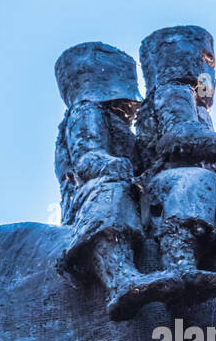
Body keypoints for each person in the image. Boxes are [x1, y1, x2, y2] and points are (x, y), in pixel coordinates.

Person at [136, 24, 216, 304]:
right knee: (196, 181)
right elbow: (179, 135)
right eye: (205, 64)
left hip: (205, 186)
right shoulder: (173, 92)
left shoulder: (200, 108)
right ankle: (179, 265)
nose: (210, 74)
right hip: (168, 183)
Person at [54, 41, 182, 320]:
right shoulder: (86, 111)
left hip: (135, 193)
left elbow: (145, 164)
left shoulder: (124, 127)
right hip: (92, 191)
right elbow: (87, 157)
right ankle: (120, 278)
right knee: (111, 191)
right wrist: (113, 165)